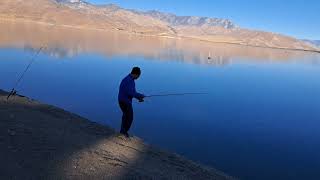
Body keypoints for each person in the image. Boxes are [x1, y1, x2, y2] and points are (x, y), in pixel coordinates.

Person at [118, 67, 145, 137]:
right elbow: (131, 93)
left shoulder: (129, 79)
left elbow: (132, 92)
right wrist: (140, 96)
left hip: (122, 100)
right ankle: (123, 132)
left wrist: (139, 97)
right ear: (136, 74)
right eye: (139, 76)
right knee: (129, 117)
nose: (138, 77)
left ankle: (122, 131)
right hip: (125, 101)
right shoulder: (129, 81)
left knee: (125, 115)